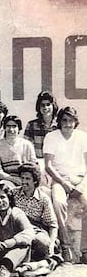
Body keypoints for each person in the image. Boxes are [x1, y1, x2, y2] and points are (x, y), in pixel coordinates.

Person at [44, 106, 87, 263]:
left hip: (80, 178)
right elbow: (48, 166)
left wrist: (81, 185)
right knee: (58, 203)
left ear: (76, 122)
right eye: (64, 120)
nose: (68, 124)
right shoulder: (51, 136)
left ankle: (85, 250)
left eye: (71, 121)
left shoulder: (83, 137)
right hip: (60, 179)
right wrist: (64, 183)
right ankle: (65, 246)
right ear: (59, 121)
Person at [12, 162, 58, 260]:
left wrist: (51, 243)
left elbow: (53, 225)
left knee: (43, 243)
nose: (24, 182)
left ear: (35, 181)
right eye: (22, 178)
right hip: (16, 229)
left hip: (35, 230)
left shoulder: (43, 198)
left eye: (27, 179)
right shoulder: (13, 194)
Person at [0, 115, 37, 187]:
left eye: (14, 126)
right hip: (7, 180)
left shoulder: (27, 144)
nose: (11, 129)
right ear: (4, 128)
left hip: (25, 180)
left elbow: (34, 167)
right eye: (8, 126)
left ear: (19, 128)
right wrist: (13, 179)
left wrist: (23, 180)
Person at [24, 91, 58, 160]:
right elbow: (26, 147)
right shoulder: (31, 125)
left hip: (57, 162)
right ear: (38, 107)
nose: (45, 107)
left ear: (53, 106)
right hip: (38, 162)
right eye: (42, 105)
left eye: (48, 104)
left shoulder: (59, 125)